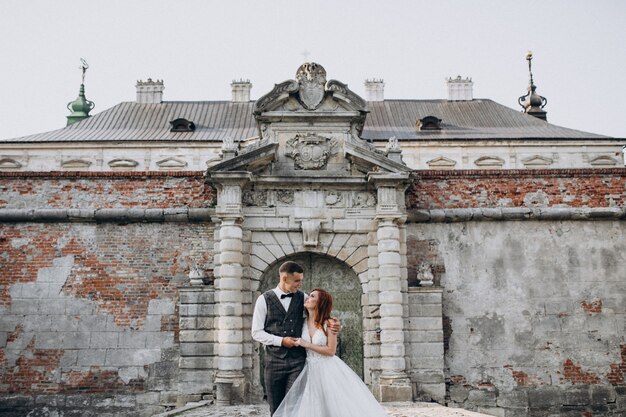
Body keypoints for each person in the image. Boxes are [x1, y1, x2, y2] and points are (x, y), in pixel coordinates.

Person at [273, 288, 388, 417]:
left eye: (312, 296)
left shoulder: (329, 323)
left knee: (334, 404)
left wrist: (306, 344)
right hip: (308, 368)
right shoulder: (301, 323)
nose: (307, 298)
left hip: (328, 369)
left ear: (320, 303)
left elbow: (331, 351)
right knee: (312, 403)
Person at [251, 261, 340, 416]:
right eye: (297, 281)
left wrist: (335, 324)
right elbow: (256, 332)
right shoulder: (263, 300)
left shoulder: (303, 297)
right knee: (276, 409)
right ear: (285, 278)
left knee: (295, 407)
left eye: (301, 280)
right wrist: (281, 341)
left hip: (298, 362)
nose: (300, 284)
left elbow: (320, 312)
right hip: (274, 363)